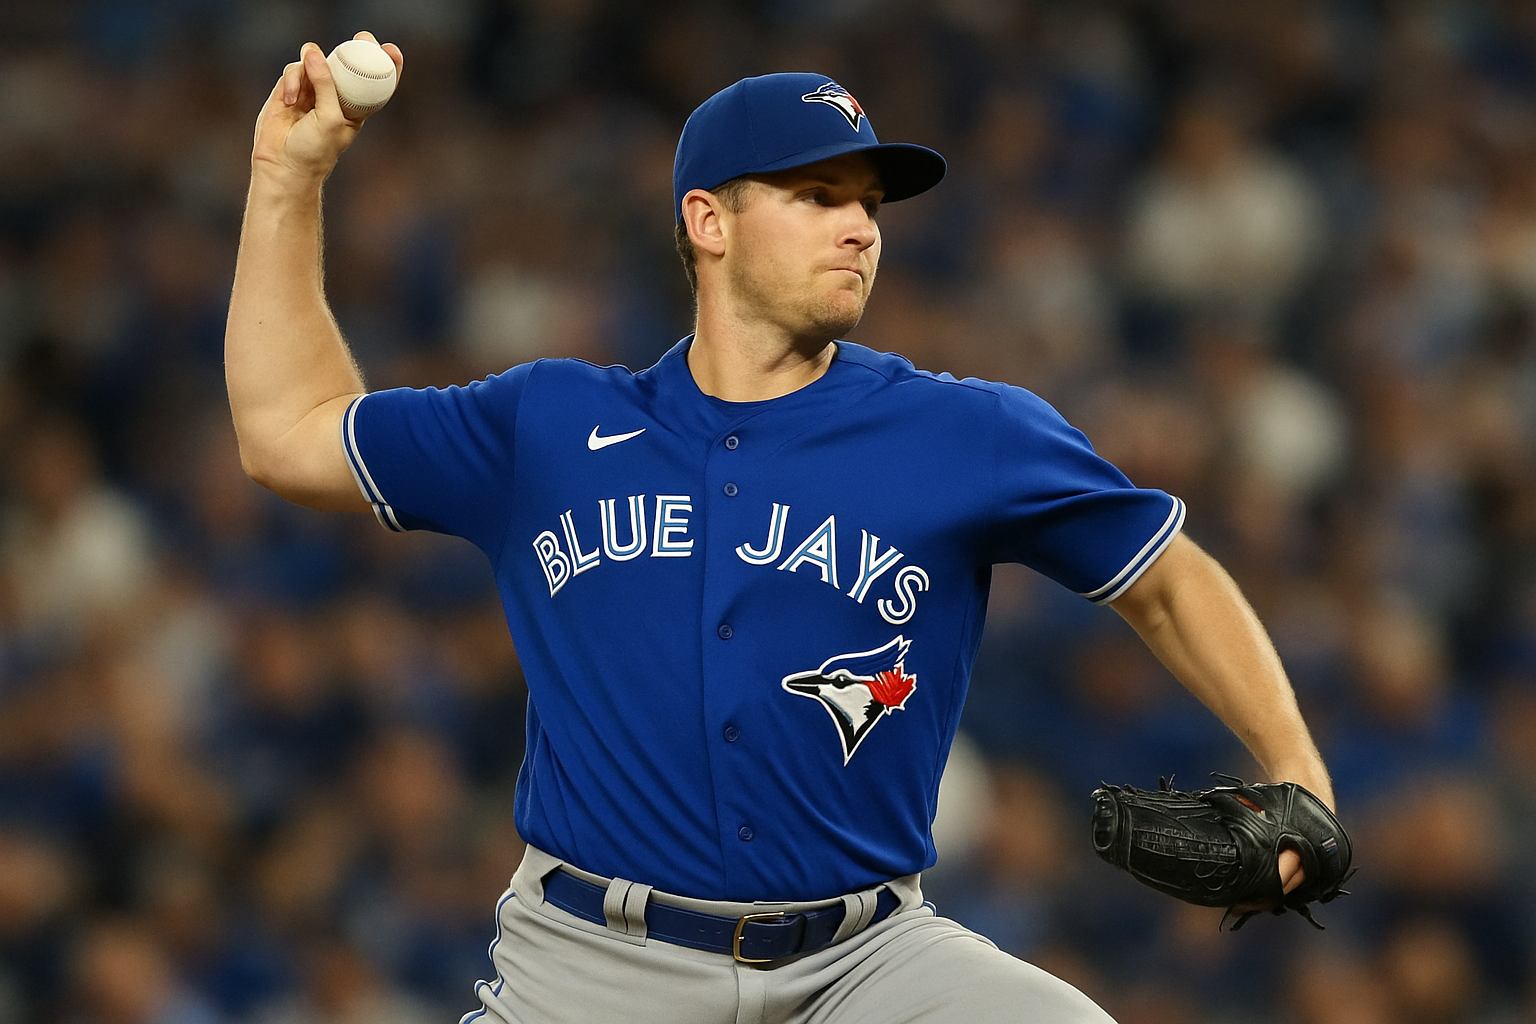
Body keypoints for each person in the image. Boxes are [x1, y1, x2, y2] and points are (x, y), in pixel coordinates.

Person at [226, 33, 1336, 1024]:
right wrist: (289, 175)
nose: (860, 227)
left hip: (869, 963)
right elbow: (287, 433)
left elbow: (1166, 580)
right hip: (594, 969)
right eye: (815, 195)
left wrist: (1297, 769)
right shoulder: (549, 425)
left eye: (869, 204)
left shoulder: (964, 431)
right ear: (707, 221)